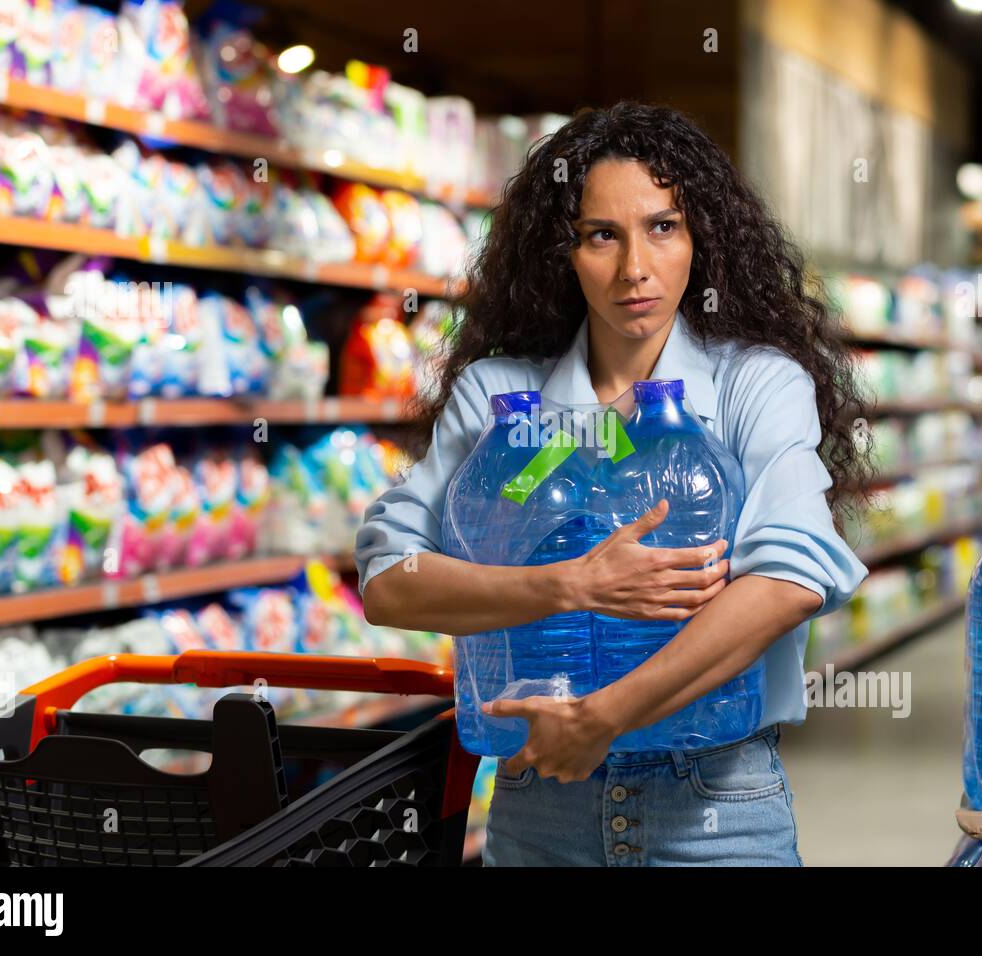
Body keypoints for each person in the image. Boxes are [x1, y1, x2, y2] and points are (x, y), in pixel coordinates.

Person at [356, 101, 870, 866]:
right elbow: (389, 581)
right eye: (603, 235)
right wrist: (570, 585)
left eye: (663, 227)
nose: (636, 268)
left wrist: (606, 717)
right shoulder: (501, 401)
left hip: (714, 807)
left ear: (702, 238)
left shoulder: (752, 386)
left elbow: (791, 575)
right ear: (561, 251)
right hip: (541, 809)